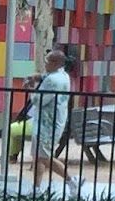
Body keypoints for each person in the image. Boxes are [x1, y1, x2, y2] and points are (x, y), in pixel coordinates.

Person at [15, 48, 81, 193]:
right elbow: (45, 76)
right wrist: (36, 78)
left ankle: (71, 180)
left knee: (44, 157)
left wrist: (31, 88)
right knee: (38, 156)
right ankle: (36, 188)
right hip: (55, 122)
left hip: (46, 124)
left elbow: (38, 100)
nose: (45, 64)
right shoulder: (63, 76)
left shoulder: (52, 80)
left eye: (47, 61)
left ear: (55, 63)